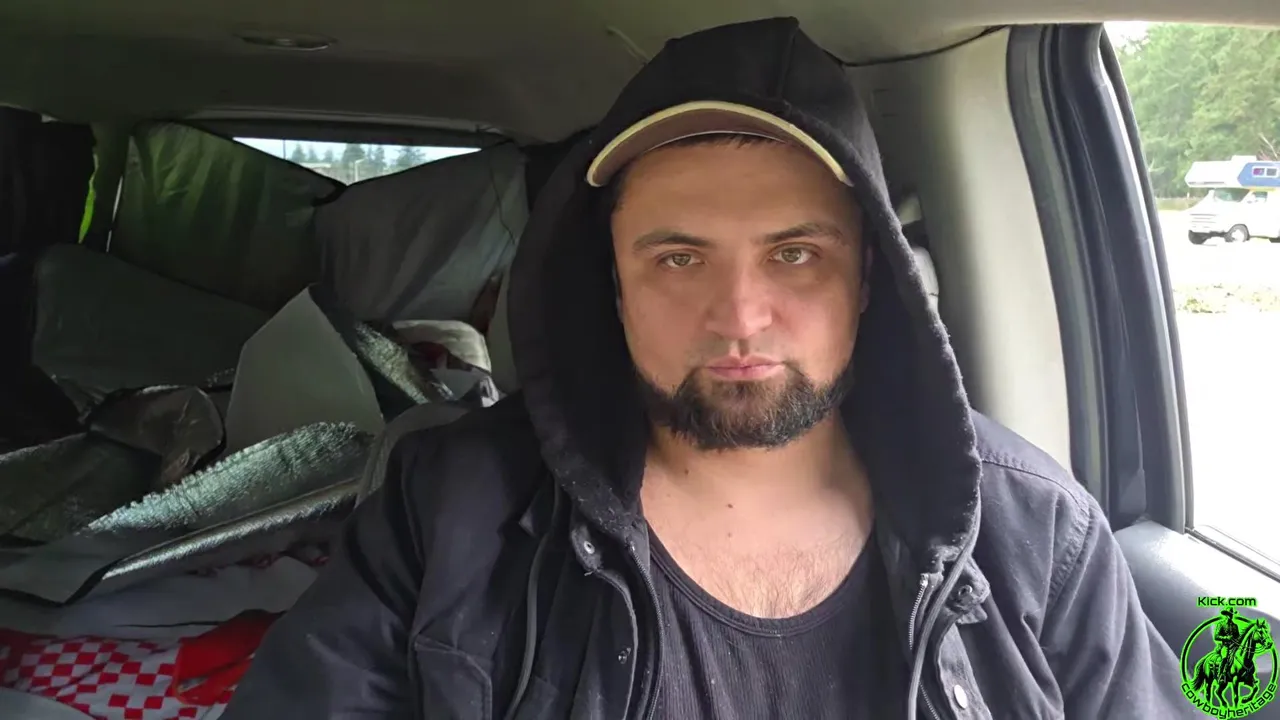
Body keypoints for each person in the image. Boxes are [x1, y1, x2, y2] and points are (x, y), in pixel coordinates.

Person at [225, 17, 1194, 719]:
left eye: (795, 254)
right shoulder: (448, 510)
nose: (738, 316)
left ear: (869, 280)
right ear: (611, 284)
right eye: (679, 258)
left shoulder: (1035, 532)